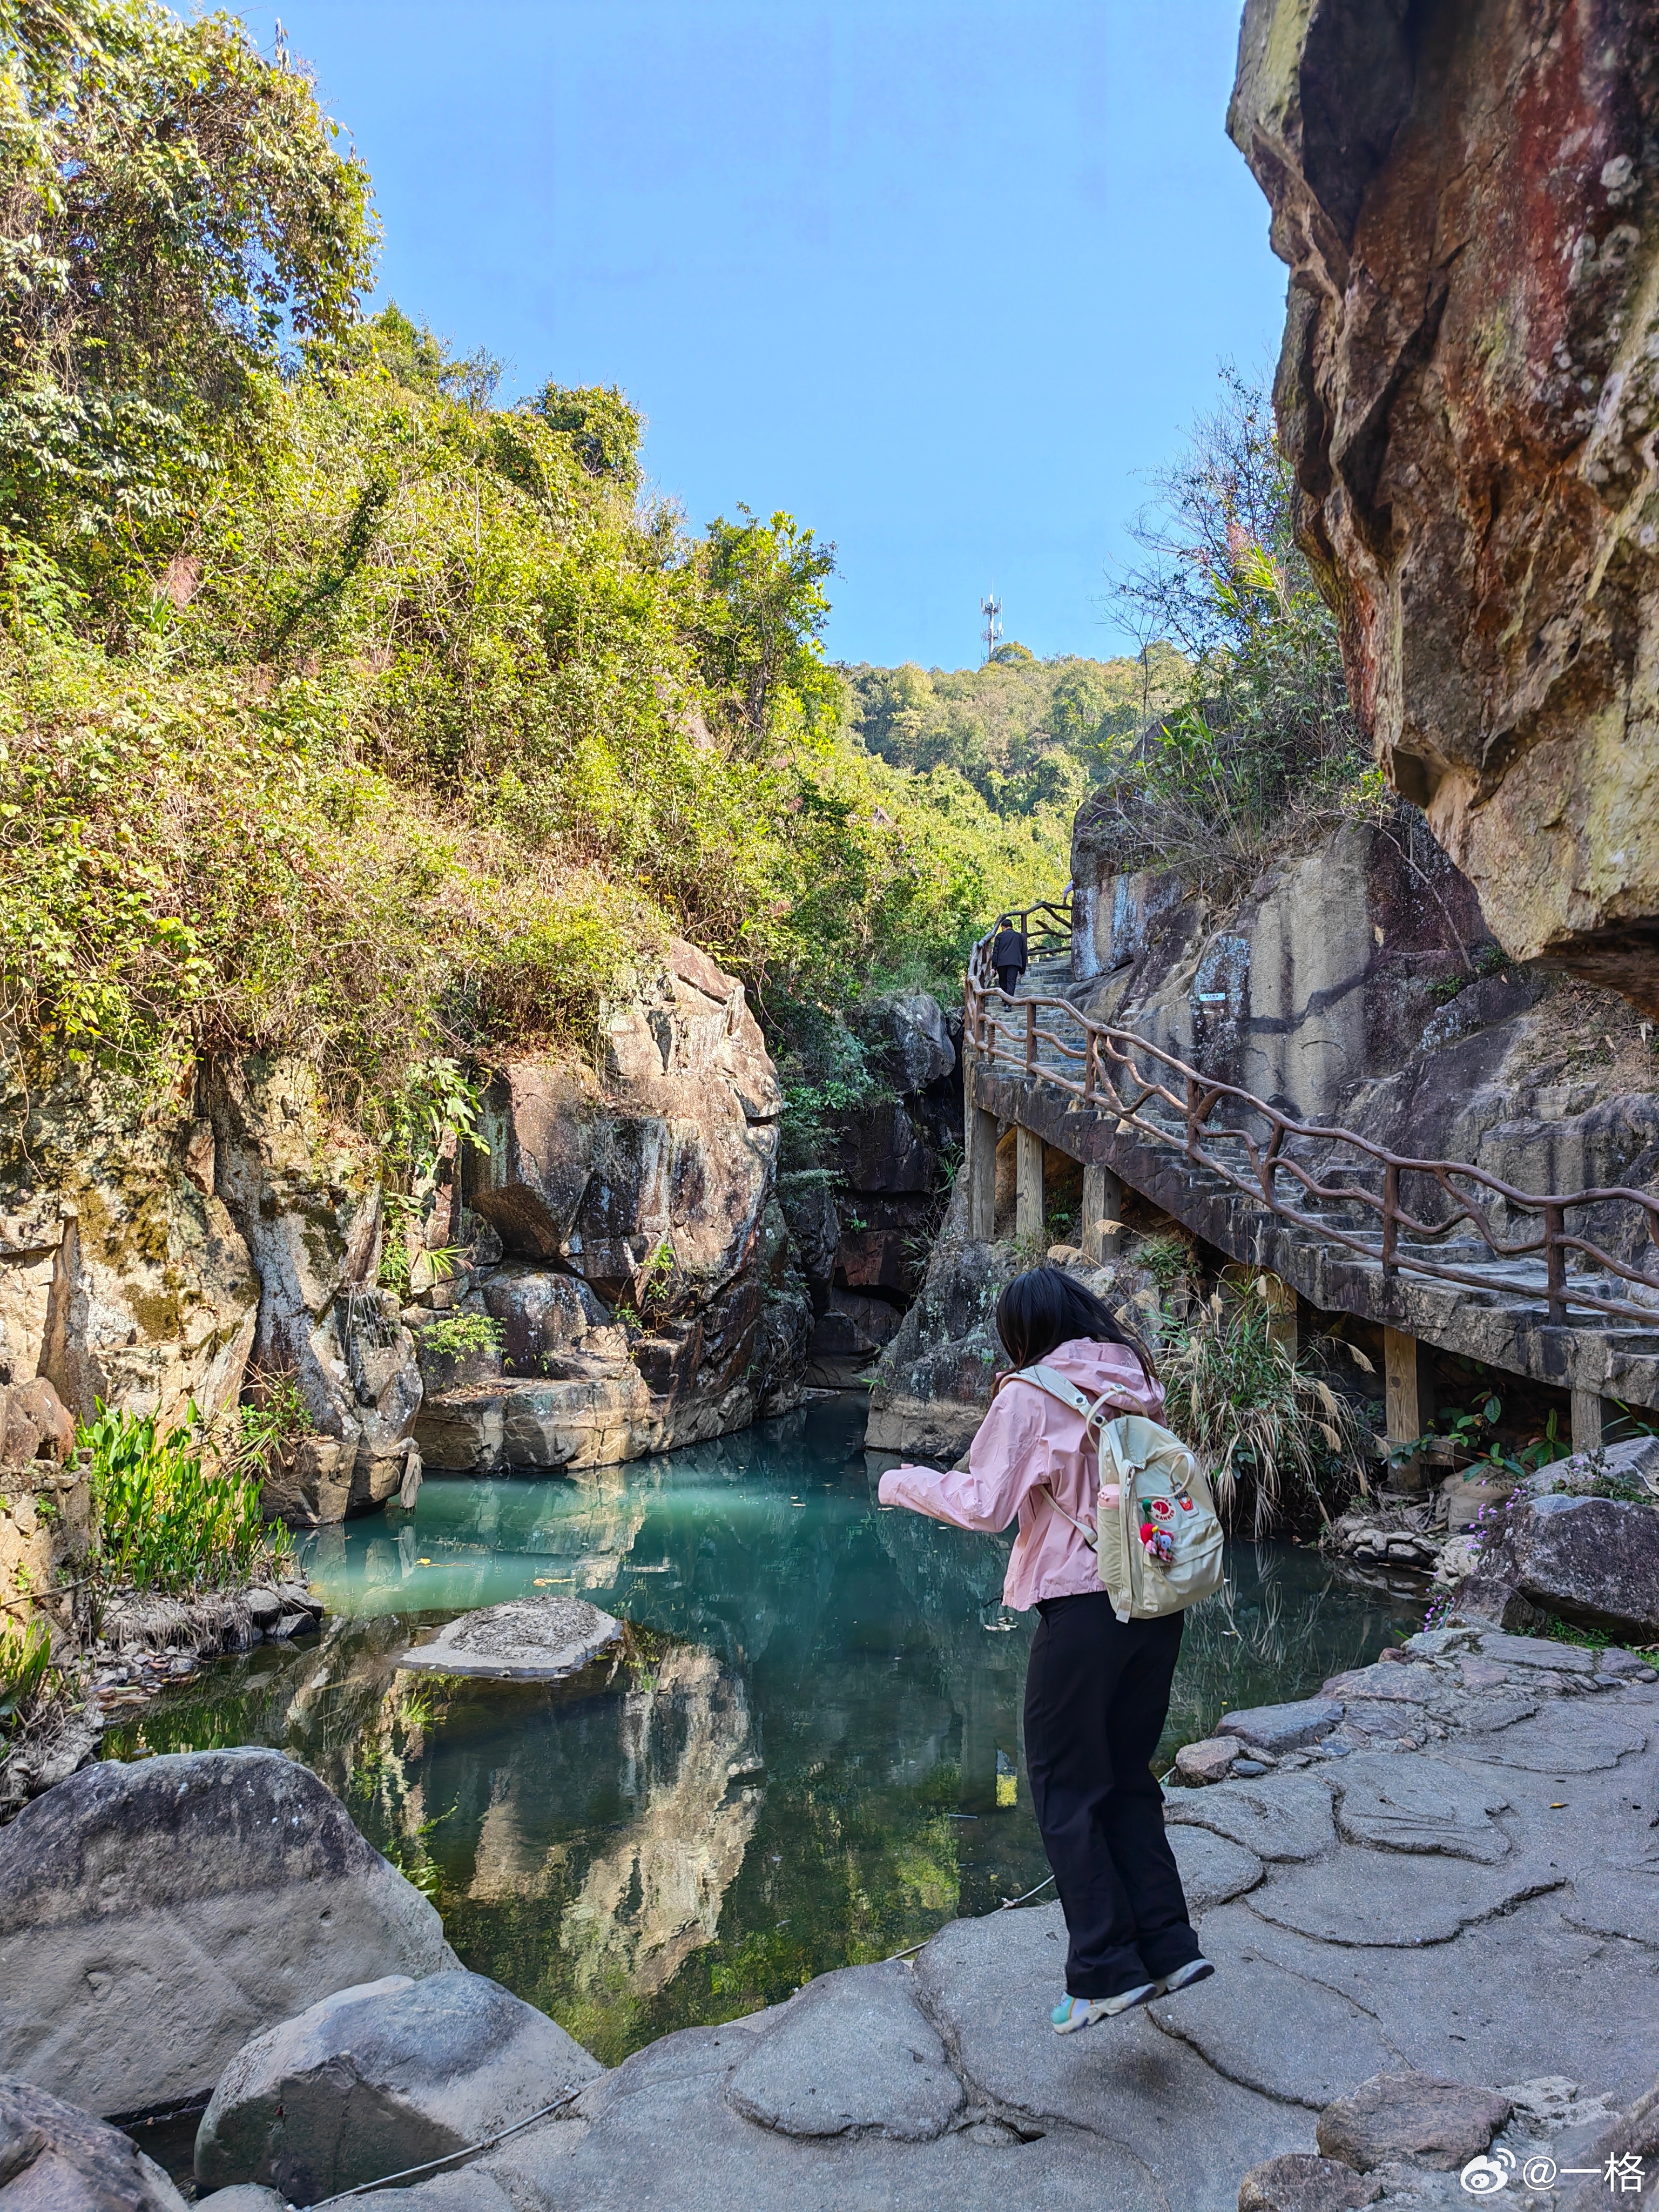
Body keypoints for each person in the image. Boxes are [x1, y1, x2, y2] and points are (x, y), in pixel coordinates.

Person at [877, 1265, 1212, 2034]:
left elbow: (985, 1506)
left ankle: (1102, 1973)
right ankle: (1169, 1947)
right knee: (1126, 1777)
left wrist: (903, 1482)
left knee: (1064, 1787)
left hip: (1085, 1609)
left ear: (1023, 1333)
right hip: (1157, 1601)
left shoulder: (1029, 1395)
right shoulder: (1134, 1381)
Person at [990, 914, 1027, 997]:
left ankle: (1006, 1000)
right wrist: (1023, 970)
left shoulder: (999, 936)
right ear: (1011, 926)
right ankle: (1008, 1004)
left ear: (1003, 927)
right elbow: (1024, 953)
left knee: (1003, 982)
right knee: (1011, 982)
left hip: (1002, 963)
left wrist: (994, 966)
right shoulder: (1020, 937)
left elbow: (996, 952)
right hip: (1015, 963)